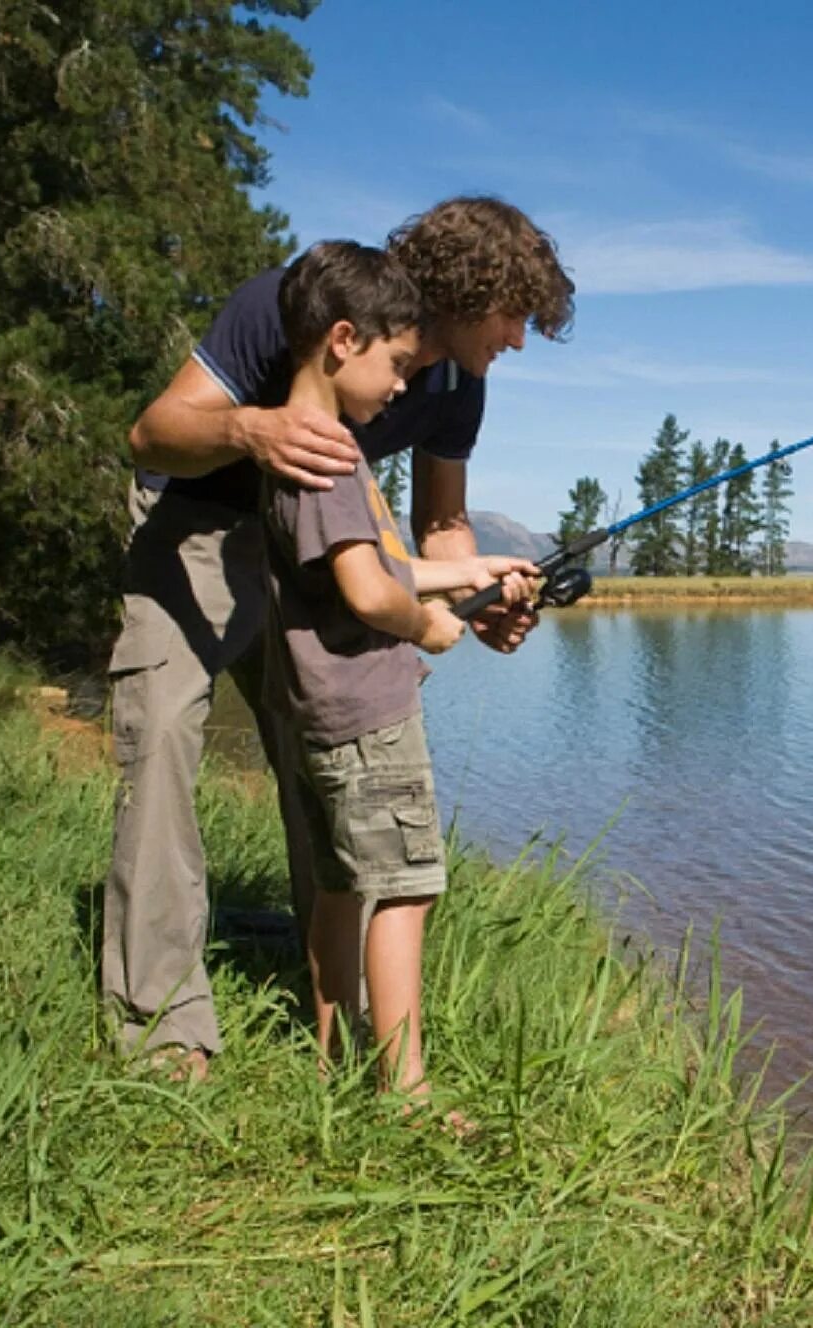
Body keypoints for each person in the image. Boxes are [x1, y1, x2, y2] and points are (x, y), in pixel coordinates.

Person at [104, 197, 573, 1080]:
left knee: (317, 752)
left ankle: (326, 997)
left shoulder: (456, 384)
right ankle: (159, 1020)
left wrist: (480, 601)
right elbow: (151, 432)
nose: (517, 338)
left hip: (319, 552)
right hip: (197, 522)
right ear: (468, 290)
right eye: (514, 313)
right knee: (162, 730)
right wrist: (253, 427)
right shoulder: (283, 307)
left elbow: (443, 524)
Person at [262, 240, 535, 1099]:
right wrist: (425, 624)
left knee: (343, 886)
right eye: (394, 365)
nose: (399, 391)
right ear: (342, 341)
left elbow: (375, 562)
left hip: (318, 709)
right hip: (370, 710)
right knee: (407, 894)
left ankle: (331, 1053)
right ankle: (405, 1094)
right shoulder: (339, 457)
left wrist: (468, 573)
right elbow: (366, 586)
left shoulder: (296, 453)